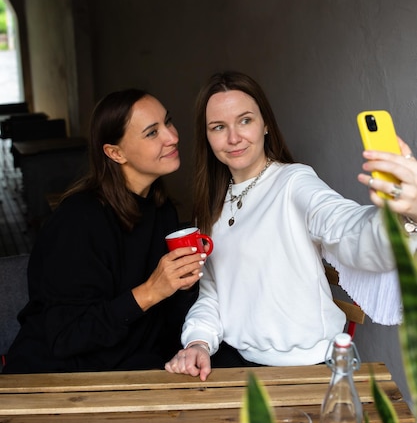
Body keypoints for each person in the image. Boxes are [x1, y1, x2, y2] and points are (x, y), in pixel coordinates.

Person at [165, 71, 417, 381]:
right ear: (207, 136)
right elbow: (214, 294)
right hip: (239, 364)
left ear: (266, 124)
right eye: (219, 127)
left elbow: (346, 228)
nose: (233, 138)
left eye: (245, 120)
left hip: (310, 370)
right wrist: (199, 342)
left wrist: (407, 215)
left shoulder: (294, 182)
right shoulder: (213, 206)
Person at [3, 89, 205, 373]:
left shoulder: (162, 210)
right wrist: (151, 291)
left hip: (130, 366)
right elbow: (66, 336)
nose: (172, 137)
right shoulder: (78, 220)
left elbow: (161, 322)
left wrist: (184, 287)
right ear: (115, 152)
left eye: (167, 122)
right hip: (56, 377)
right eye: (151, 133)